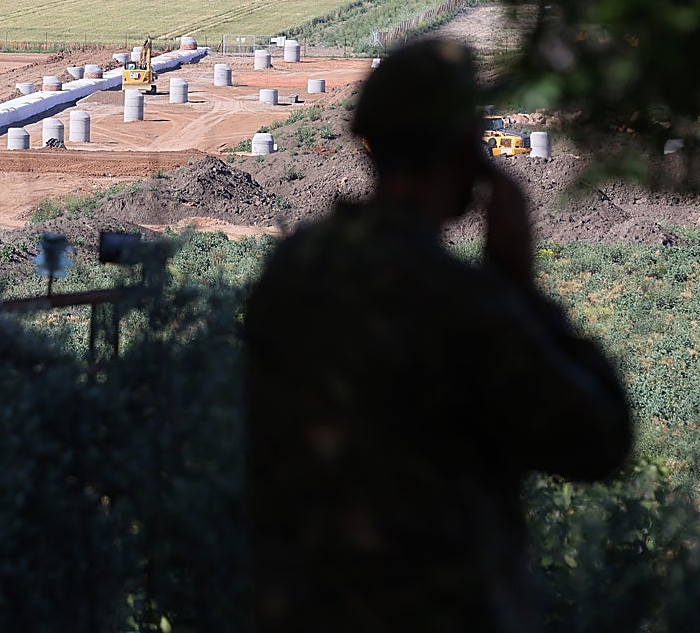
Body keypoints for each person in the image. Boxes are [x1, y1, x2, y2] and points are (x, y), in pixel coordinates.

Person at [243, 39, 632, 632]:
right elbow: (599, 441)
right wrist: (519, 289)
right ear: (464, 156)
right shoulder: (460, 304)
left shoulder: (289, 274)